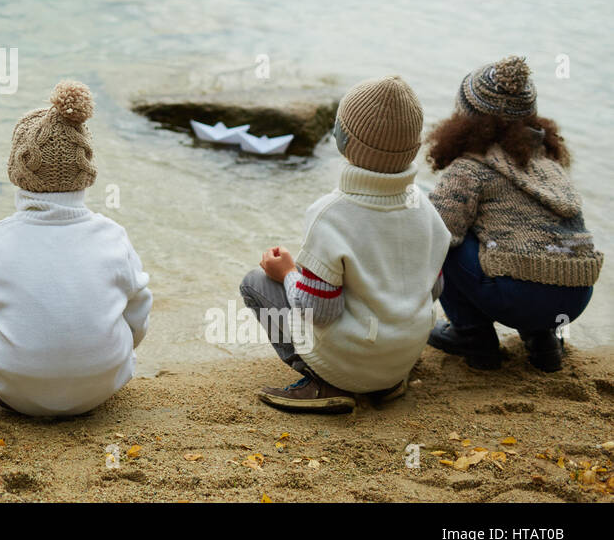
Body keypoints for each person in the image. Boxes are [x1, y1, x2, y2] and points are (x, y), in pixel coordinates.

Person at [0, 81, 152, 417]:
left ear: (18, 169)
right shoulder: (113, 235)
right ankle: (95, 364)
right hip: (101, 387)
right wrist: (116, 348)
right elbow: (139, 310)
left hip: (17, 394)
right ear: (86, 170)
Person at [241, 75, 449, 414]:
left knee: (255, 282)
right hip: (401, 360)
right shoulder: (425, 209)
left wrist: (288, 273)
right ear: (413, 146)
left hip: (347, 365)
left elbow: (319, 312)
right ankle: (388, 380)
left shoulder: (330, 214)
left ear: (343, 140)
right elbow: (435, 288)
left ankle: (322, 382)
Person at [426, 56, 602, 372]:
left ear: (466, 116)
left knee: (441, 236)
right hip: (577, 295)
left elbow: (432, 236)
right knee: (534, 244)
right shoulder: (548, 165)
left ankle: (474, 338)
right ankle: (543, 341)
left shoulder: (470, 168)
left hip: (521, 298)